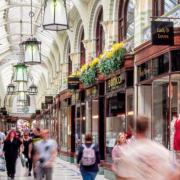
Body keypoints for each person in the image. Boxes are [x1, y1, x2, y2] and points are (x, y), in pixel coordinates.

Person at [115, 116, 180, 180]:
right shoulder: (161, 150)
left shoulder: (127, 153)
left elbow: (120, 176)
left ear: (133, 130)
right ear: (148, 129)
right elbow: (176, 174)